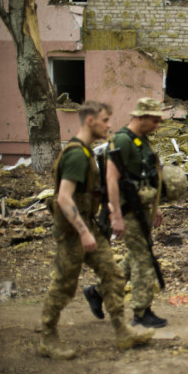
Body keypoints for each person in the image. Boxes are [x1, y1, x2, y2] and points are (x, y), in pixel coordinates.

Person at [40, 101, 154, 360]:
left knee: (112, 275)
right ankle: (47, 337)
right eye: (105, 120)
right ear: (90, 121)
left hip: (89, 226)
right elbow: (64, 198)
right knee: (64, 285)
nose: (110, 125)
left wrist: (108, 213)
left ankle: (122, 331)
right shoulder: (76, 155)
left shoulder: (87, 152)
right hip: (72, 232)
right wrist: (83, 232)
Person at [84, 97, 167, 328]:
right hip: (126, 210)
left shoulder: (142, 141)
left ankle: (97, 292)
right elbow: (111, 179)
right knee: (142, 259)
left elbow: (148, 177)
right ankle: (141, 312)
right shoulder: (121, 140)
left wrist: (155, 207)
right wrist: (116, 216)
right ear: (140, 117)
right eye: (154, 120)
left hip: (141, 209)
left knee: (136, 257)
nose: (156, 125)